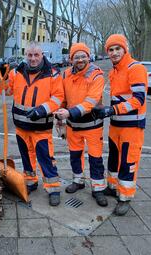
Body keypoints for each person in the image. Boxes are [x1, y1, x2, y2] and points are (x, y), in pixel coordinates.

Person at [0, 41, 64, 206]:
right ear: (25, 55)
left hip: (41, 127)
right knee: (27, 157)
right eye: (30, 55)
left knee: (46, 158)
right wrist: (1, 75)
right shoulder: (16, 72)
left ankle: (53, 187)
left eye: (36, 55)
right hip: (21, 127)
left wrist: (42, 109)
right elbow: (6, 91)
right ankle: (30, 181)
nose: (33, 59)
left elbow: (57, 98)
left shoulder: (53, 74)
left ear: (42, 55)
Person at [92, 34, 147, 215]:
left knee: (128, 162)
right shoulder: (114, 71)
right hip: (116, 126)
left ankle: (125, 197)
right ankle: (113, 187)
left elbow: (138, 100)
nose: (114, 53)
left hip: (132, 127)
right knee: (114, 160)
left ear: (125, 49)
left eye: (117, 49)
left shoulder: (135, 68)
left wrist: (112, 110)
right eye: (111, 50)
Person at [54, 43, 107, 207]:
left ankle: (98, 189)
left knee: (95, 158)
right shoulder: (66, 75)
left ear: (88, 57)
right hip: (73, 126)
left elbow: (91, 101)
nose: (80, 59)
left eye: (83, 55)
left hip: (92, 125)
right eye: (76, 56)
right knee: (75, 156)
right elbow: (63, 98)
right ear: (71, 59)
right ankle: (78, 181)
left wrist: (69, 113)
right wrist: (59, 118)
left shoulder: (96, 75)